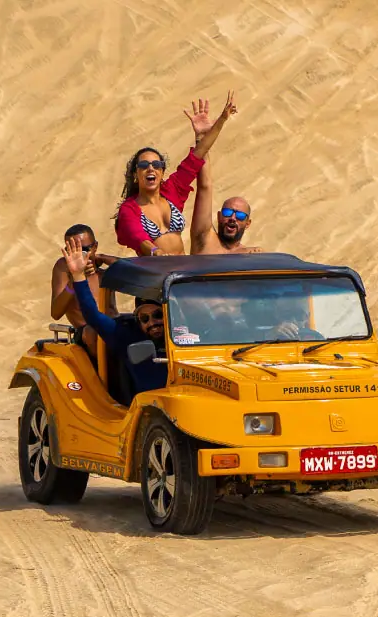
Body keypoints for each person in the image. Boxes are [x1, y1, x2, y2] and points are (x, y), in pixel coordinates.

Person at [114, 92, 238, 257]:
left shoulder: (171, 191)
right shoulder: (130, 209)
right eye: (144, 165)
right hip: (155, 273)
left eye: (156, 165)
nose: (151, 168)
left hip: (182, 270)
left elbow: (197, 156)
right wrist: (155, 251)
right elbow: (138, 237)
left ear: (161, 172)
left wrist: (220, 122)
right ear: (136, 174)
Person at [62, 236, 168, 394]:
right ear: (138, 322)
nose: (152, 322)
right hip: (147, 408)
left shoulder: (183, 335)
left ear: (167, 316)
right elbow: (93, 316)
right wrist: (78, 276)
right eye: (144, 319)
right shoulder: (128, 336)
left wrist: (103, 258)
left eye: (157, 315)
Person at [51, 224, 118, 352]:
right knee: (93, 332)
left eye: (84, 249)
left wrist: (102, 258)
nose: (78, 255)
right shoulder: (64, 267)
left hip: (112, 326)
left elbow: (135, 270)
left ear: (95, 247)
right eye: (72, 250)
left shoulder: (102, 271)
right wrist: (75, 280)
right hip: (87, 333)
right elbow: (55, 313)